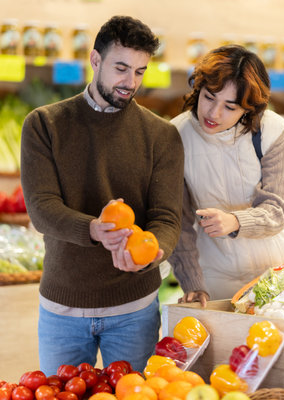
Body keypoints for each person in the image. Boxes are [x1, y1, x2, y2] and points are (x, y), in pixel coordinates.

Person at [20, 15, 184, 375]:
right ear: (95, 60)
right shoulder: (44, 124)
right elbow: (42, 208)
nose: (130, 82)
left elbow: (167, 217)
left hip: (135, 308)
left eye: (140, 72)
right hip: (62, 306)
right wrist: (94, 229)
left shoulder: (162, 135)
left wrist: (155, 251)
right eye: (121, 68)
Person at [169, 44, 284, 307]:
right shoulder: (175, 136)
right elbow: (179, 221)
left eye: (230, 107)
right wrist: (192, 283)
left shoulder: (273, 131)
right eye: (209, 97)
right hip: (220, 271)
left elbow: (277, 210)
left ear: (248, 108)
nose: (214, 114)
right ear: (198, 89)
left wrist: (234, 221)